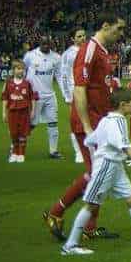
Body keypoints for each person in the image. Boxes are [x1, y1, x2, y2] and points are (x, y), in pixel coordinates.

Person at [58, 88, 131, 256]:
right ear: (123, 105)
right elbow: (125, 146)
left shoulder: (106, 120)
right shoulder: (118, 121)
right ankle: (70, 245)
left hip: (115, 165)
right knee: (91, 204)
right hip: (107, 165)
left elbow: (90, 140)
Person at [45, 12, 127, 243]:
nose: (121, 34)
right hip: (88, 122)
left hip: (98, 120)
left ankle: (89, 226)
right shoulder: (89, 49)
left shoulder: (101, 51)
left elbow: (97, 88)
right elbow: (79, 89)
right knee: (95, 173)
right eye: (118, 28)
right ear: (105, 25)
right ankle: (56, 212)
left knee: (100, 173)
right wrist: (87, 126)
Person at [22, 40, 61, 160]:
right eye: (43, 43)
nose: (46, 45)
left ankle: (53, 151)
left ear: (51, 44)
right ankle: (17, 145)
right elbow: (22, 71)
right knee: (32, 123)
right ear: (39, 44)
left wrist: (65, 93)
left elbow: (59, 75)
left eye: (48, 43)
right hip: (35, 96)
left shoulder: (56, 57)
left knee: (53, 123)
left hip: (50, 95)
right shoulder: (30, 55)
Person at [58, 29, 87, 163]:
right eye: (79, 36)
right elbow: (63, 76)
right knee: (76, 123)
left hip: (88, 91)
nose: (82, 38)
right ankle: (79, 152)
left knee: (90, 121)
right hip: (74, 92)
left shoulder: (88, 50)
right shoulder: (68, 54)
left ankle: (90, 150)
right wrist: (67, 96)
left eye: (84, 35)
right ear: (73, 39)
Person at [2, 60, 36, 163]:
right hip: (12, 112)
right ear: (13, 70)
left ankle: (21, 154)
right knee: (13, 134)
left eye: (22, 69)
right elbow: (5, 98)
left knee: (23, 134)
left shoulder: (27, 83)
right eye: (18, 68)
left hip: (24, 112)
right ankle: (14, 153)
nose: (20, 71)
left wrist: (33, 110)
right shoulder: (8, 83)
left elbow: (32, 98)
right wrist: (4, 112)